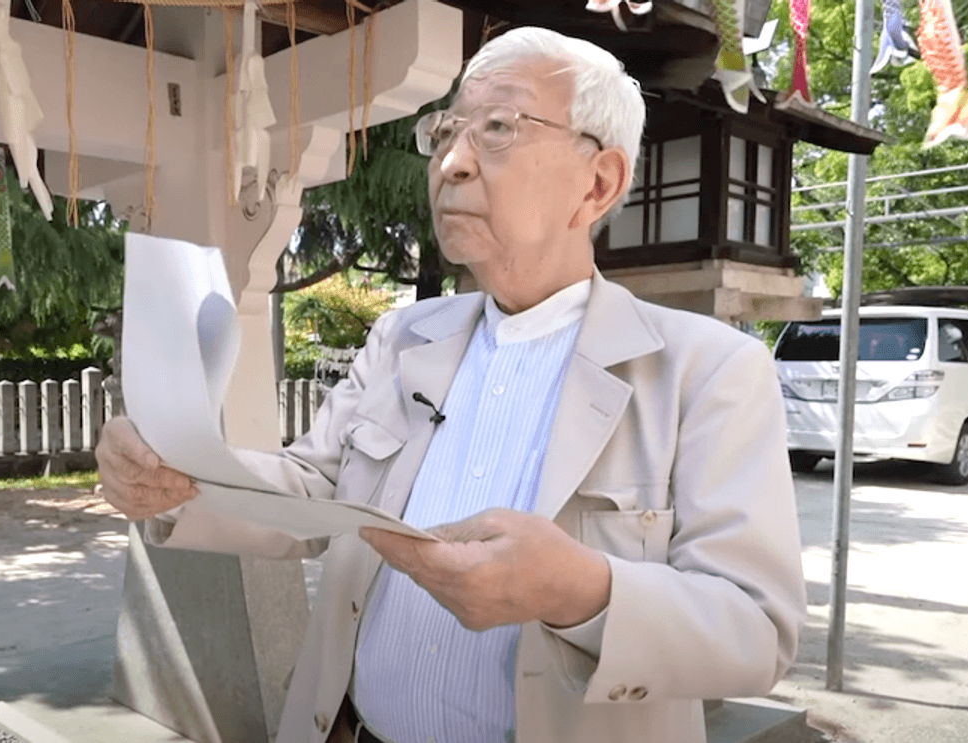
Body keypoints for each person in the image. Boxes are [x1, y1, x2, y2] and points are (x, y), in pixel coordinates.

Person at [97, 26, 806, 743]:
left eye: (498, 128)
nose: (452, 163)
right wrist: (182, 479)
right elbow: (314, 486)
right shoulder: (404, 337)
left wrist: (581, 589)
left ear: (599, 182)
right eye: (445, 132)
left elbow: (757, 627)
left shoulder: (707, 371)